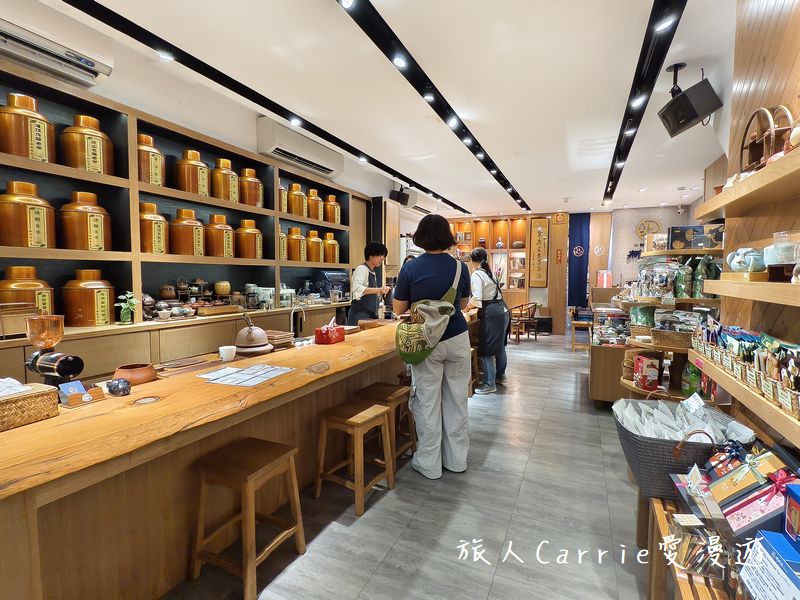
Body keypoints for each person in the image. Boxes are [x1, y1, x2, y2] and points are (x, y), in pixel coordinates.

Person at [392, 214, 471, 479]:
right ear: (447, 236)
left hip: (426, 341)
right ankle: (457, 460)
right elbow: (462, 304)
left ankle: (429, 463)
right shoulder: (460, 267)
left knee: (427, 401)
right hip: (457, 337)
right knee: (457, 399)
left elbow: (398, 308)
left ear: (421, 236)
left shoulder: (411, 268)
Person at [466, 247, 510, 394]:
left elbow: (476, 298)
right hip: (502, 310)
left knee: (487, 349)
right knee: (499, 347)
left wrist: (466, 308)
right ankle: (500, 376)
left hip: (492, 313)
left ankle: (489, 384)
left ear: (472, 260)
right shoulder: (489, 272)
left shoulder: (477, 274)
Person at [347, 241, 390, 325]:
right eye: (380, 255)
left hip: (370, 316)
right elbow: (357, 288)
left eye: (383, 256)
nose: (383, 258)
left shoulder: (371, 271)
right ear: (371, 255)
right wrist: (379, 290)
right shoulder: (362, 269)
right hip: (360, 316)